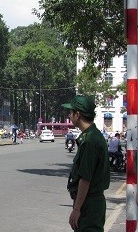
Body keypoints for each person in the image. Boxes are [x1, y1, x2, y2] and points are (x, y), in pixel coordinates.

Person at [62, 95, 110, 231]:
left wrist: (77, 209)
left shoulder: (90, 141)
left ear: (78, 114)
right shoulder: (92, 136)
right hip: (91, 202)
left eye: (71, 112)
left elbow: (85, 178)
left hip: (89, 204)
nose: (69, 115)